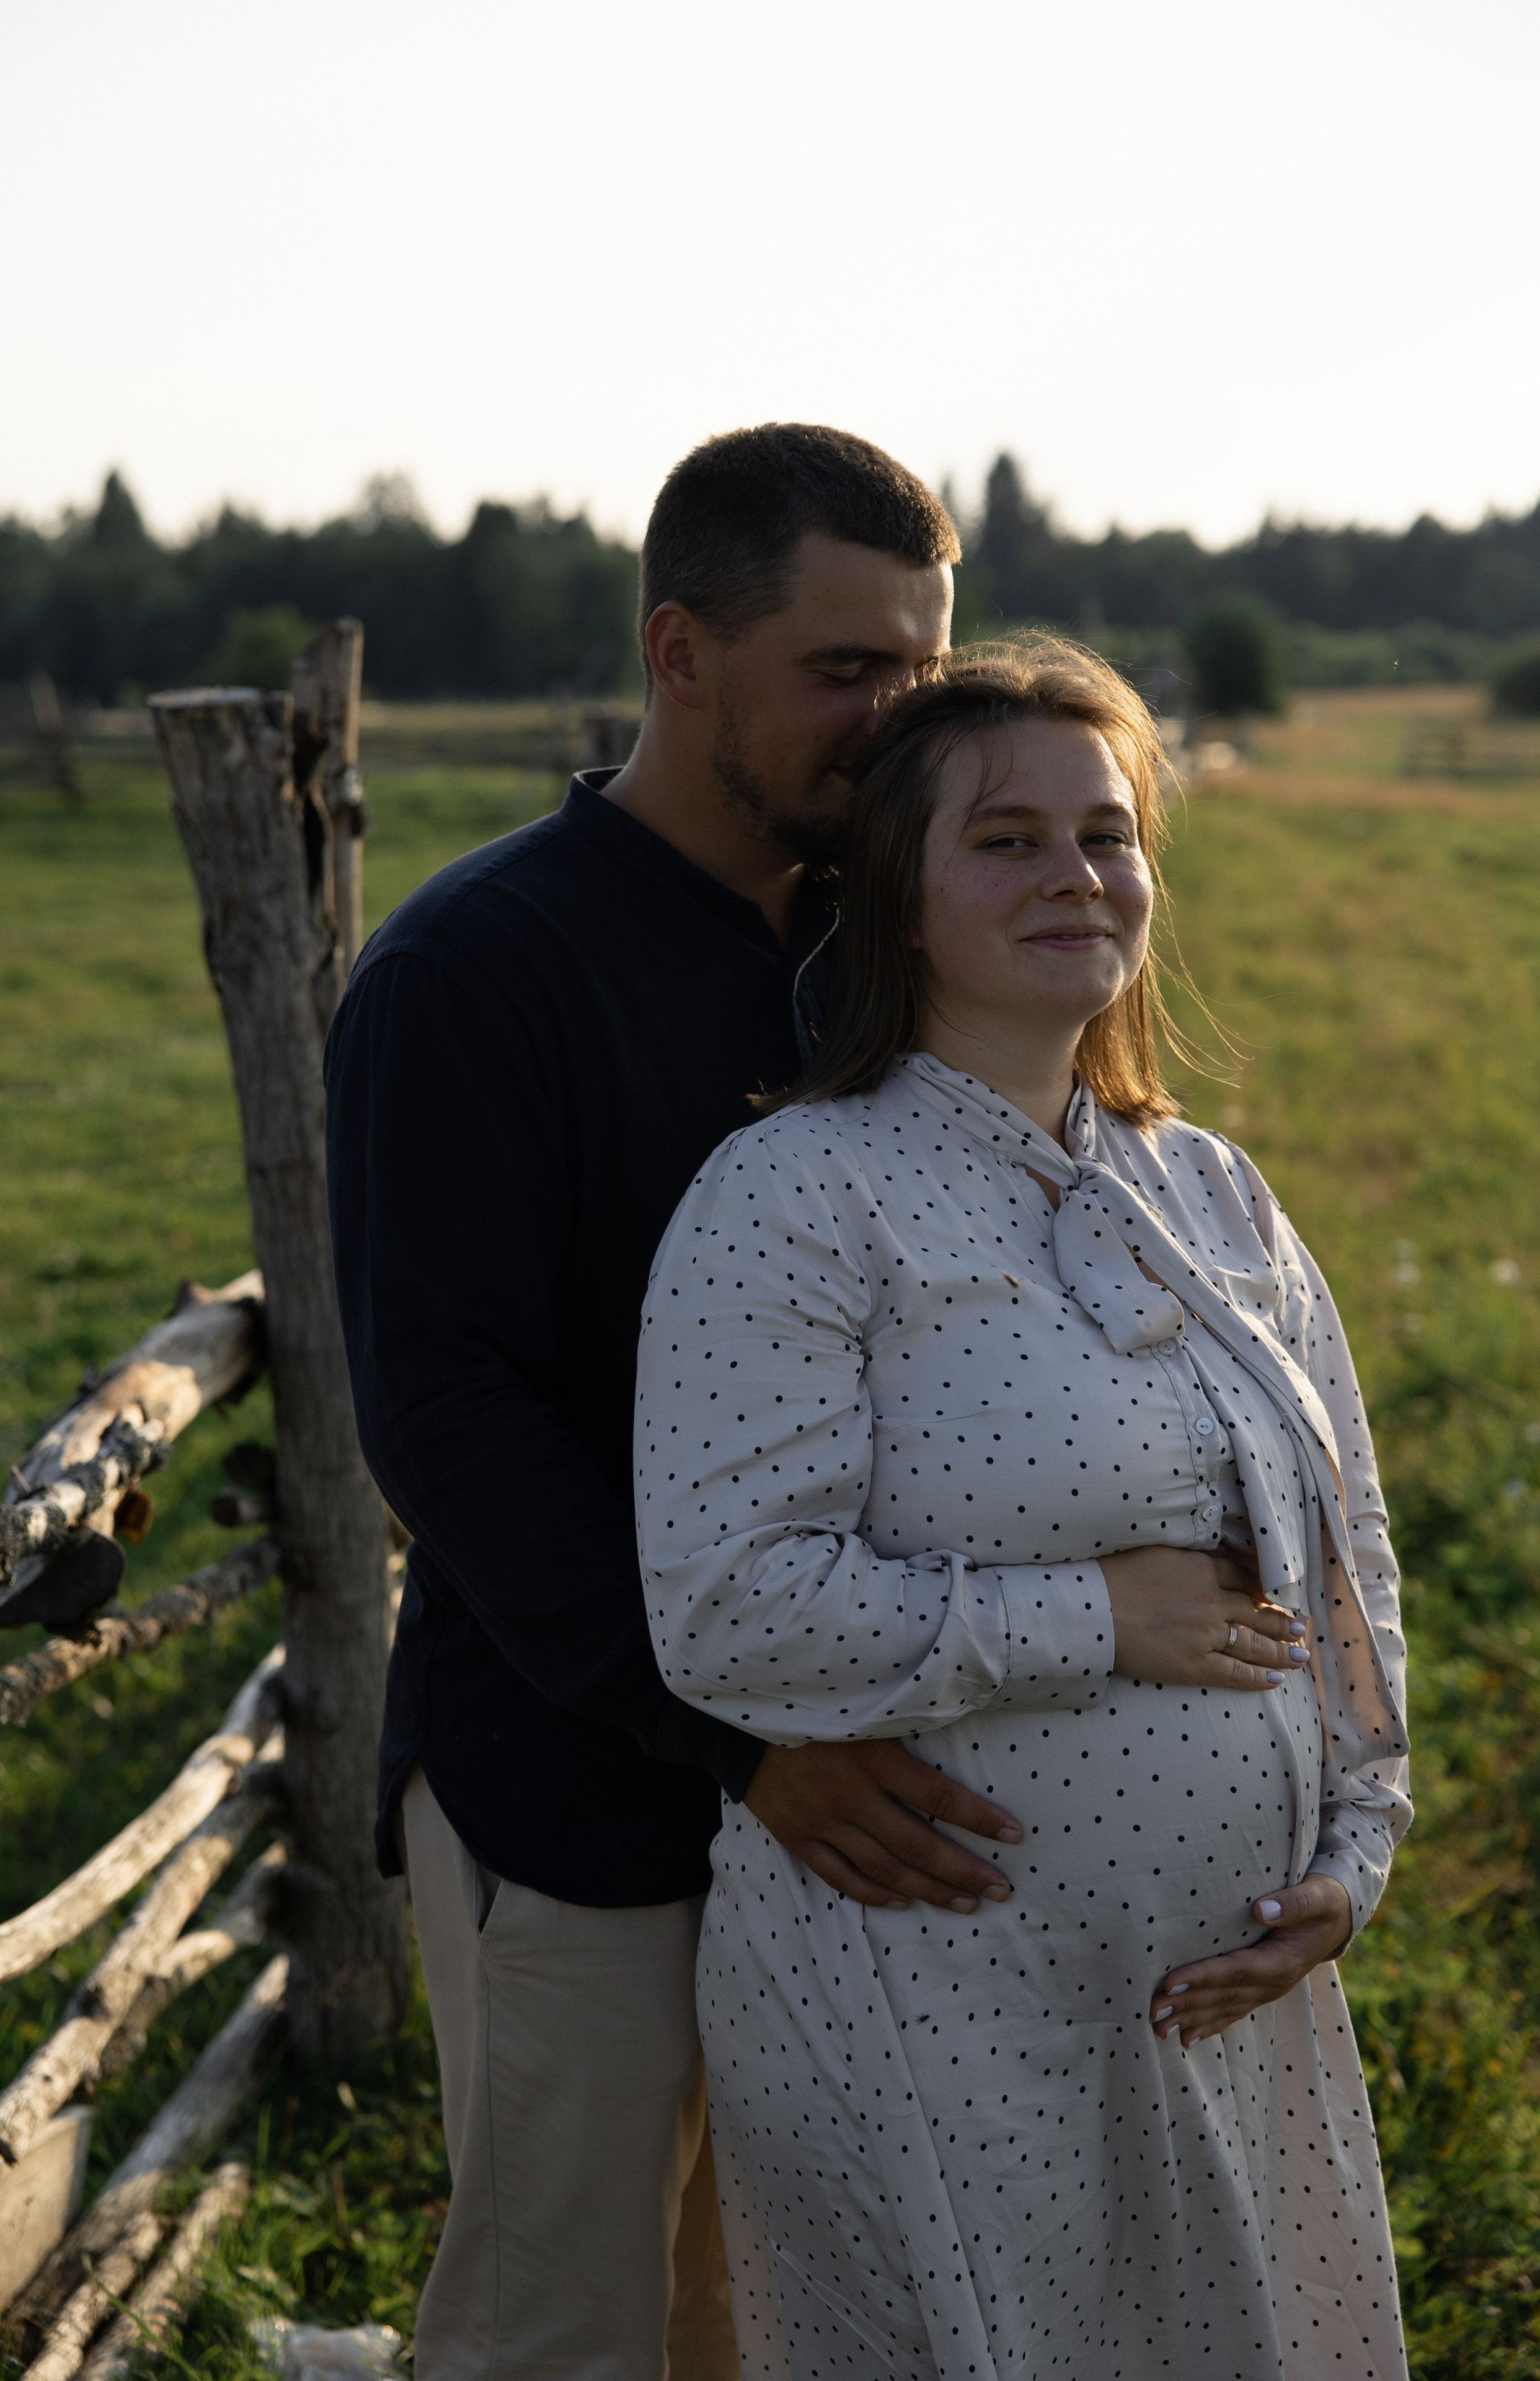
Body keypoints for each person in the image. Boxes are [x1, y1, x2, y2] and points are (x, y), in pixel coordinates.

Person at [324, 426, 1034, 2381]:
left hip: (867, 1800)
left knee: (779, 2328)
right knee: (572, 2330)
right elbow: (448, 1423)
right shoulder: (476, 975)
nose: (897, 721)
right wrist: (738, 1742)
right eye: (844, 669)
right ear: (679, 652)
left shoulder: (887, 957)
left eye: (924, 668)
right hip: (582, 1792)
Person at [635, 638, 1412, 2379]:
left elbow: (1344, 1545)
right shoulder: (795, 1195)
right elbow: (726, 1606)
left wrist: (1357, 1850)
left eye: (1108, 833)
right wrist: (1098, 1617)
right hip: (932, 2005)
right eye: (1006, 839)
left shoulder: (1208, 1185)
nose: (1075, 871)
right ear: (901, 899)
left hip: (1232, 2011)